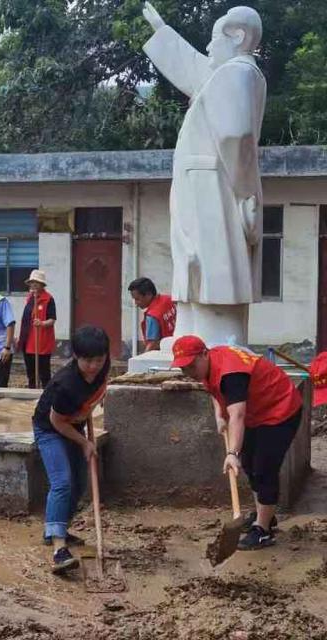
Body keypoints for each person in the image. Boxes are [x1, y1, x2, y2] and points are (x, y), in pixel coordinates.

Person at [141, 3, 267, 344]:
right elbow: (198, 70)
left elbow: (236, 136)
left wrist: (243, 192)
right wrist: (162, 31)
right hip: (202, 182)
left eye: (214, 39)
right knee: (193, 257)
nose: (209, 48)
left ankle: (216, 334)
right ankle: (191, 331)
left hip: (212, 184)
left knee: (211, 260)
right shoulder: (229, 73)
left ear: (238, 36)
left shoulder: (237, 73)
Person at [171, 335, 303, 550]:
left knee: (264, 468)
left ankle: (263, 531)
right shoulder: (209, 363)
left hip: (280, 409)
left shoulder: (231, 373)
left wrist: (232, 453)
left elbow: (238, 415)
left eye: (191, 366)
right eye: (184, 369)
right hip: (257, 412)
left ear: (204, 354)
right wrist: (219, 415)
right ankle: (265, 515)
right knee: (250, 464)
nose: (189, 373)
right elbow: (215, 390)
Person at [33, 325, 110, 574]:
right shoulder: (65, 385)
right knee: (62, 483)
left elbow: (98, 390)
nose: (94, 366)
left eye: (99, 360)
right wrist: (85, 442)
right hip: (50, 429)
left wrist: (88, 408)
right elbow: (57, 422)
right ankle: (58, 549)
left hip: (73, 423)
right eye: (88, 361)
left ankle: (58, 528)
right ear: (76, 356)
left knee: (78, 484)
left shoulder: (102, 368)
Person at [18, 269, 56, 388]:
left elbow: (52, 319)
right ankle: (32, 393)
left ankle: (46, 395)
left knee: (44, 373)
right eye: (32, 282)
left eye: (36, 282)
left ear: (42, 284)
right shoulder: (29, 298)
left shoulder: (48, 299)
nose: (33, 284)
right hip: (28, 341)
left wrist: (42, 323)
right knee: (31, 373)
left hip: (41, 342)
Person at [128, 277, 176, 352]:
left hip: (166, 351)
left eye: (137, 299)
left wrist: (143, 359)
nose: (136, 303)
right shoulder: (169, 299)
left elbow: (152, 344)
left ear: (148, 294)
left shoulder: (152, 316)